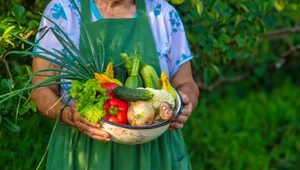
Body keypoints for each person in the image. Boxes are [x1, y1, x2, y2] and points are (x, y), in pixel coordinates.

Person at [31, 0, 199, 169]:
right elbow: (40, 89)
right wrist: (68, 114)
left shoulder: (162, 14)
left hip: (155, 151)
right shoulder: (62, 12)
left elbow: (186, 82)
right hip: (84, 151)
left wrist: (185, 104)